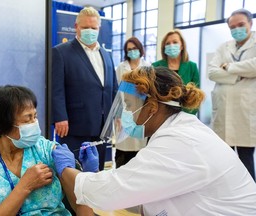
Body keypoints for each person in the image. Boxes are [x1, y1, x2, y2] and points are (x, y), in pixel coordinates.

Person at [52, 66, 256, 215]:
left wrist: (66, 169)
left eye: (130, 105)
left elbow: (108, 194)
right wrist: (94, 175)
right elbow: (141, 195)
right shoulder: (180, 129)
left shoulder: (181, 143)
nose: (126, 114)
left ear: (152, 107)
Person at [0, 85, 94, 215]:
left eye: (35, 116)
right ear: (1, 126)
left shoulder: (44, 149)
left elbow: (81, 205)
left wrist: (87, 177)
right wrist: (25, 186)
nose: (34, 123)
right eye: (28, 119)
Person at [52, 6, 118, 171]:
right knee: (74, 171)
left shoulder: (106, 54)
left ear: (99, 28)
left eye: (93, 28)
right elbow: (56, 88)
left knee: (98, 171)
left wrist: (116, 116)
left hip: (102, 127)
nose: (90, 31)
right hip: (74, 126)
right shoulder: (61, 52)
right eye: (85, 27)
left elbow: (112, 88)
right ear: (76, 27)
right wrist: (60, 117)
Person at [208, 8, 256, 181]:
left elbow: (254, 66)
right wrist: (240, 75)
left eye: (241, 25)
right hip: (224, 110)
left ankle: (250, 200)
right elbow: (212, 72)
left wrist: (229, 67)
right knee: (224, 161)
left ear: (250, 23)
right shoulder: (223, 47)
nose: (237, 29)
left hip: (246, 111)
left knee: (245, 160)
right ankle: (228, 196)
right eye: (232, 27)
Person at [115, 36, 150, 168]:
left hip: (141, 113)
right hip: (125, 112)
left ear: (140, 49)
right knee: (123, 149)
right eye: (129, 49)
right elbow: (117, 93)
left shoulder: (147, 67)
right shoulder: (121, 67)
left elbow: (148, 92)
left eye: (134, 48)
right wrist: (117, 114)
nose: (132, 51)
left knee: (140, 151)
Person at [152, 29, 200, 114]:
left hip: (186, 113)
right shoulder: (156, 66)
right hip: (162, 114)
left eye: (175, 42)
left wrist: (191, 113)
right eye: (167, 43)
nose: (171, 45)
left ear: (182, 46)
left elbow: (196, 94)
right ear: (164, 48)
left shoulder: (192, 66)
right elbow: (152, 93)